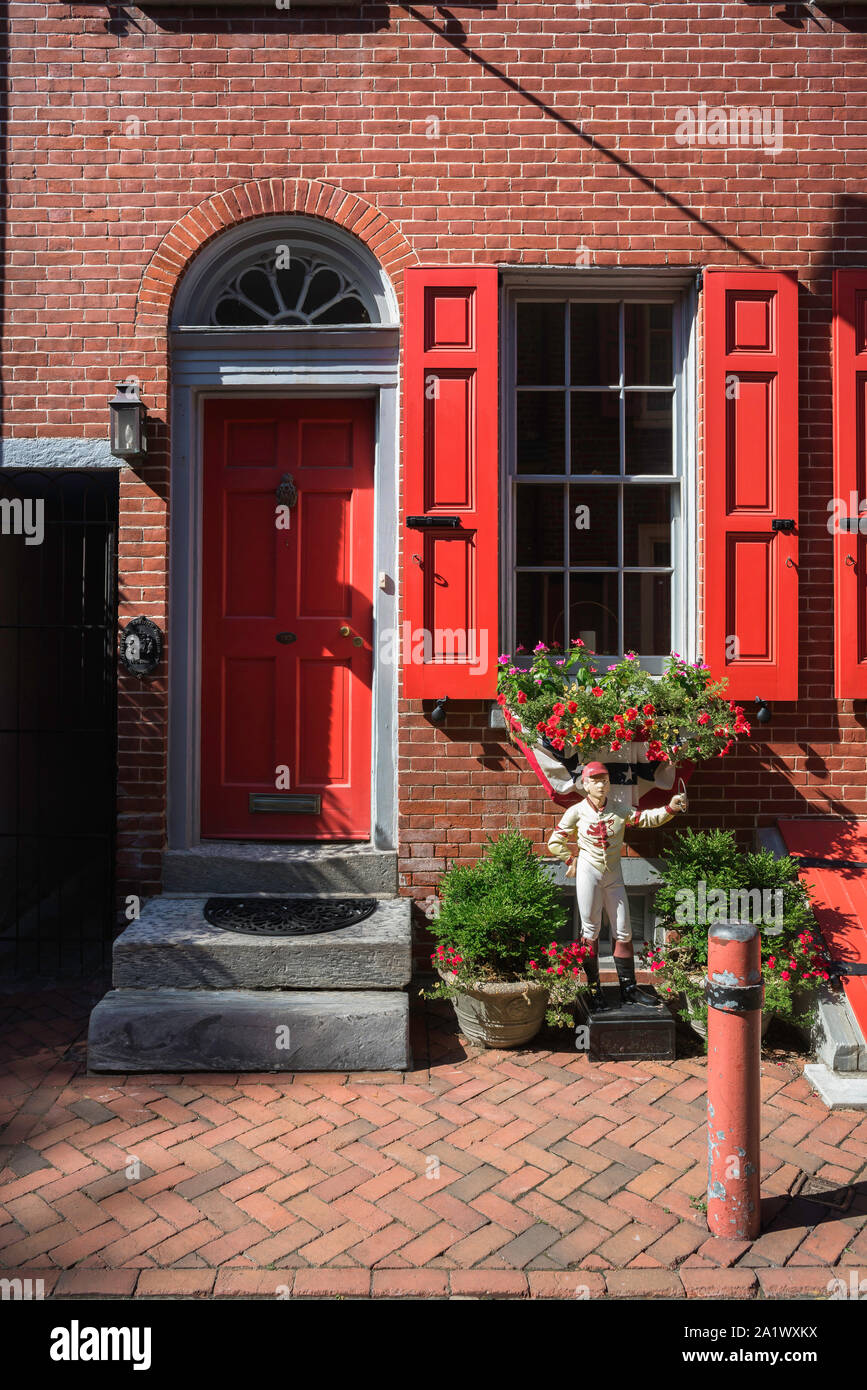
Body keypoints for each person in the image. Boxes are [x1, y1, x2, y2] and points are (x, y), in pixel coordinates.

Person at [547, 761, 687, 1010]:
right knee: (590, 931)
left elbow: (645, 819)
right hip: (588, 874)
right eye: (596, 780)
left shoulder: (619, 809)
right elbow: (555, 841)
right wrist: (570, 859)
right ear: (585, 784)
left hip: (614, 876)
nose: (602, 784)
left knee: (623, 930)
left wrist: (670, 809)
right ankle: (594, 989)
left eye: (605, 780)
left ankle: (629, 989)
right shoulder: (577, 811)